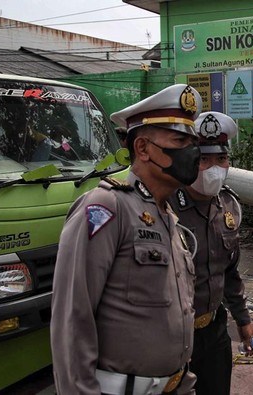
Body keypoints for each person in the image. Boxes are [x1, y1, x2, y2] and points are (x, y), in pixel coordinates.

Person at [50, 84, 203, 395]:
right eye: (180, 140)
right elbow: (72, 318)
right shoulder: (108, 207)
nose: (192, 151)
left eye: (192, 142)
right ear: (143, 148)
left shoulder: (168, 216)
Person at [168, 111, 253, 395]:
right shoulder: (165, 206)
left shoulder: (228, 206)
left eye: (221, 159)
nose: (214, 168)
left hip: (215, 328)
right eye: (204, 159)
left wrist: (243, 320)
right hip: (172, 335)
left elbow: (229, 272)